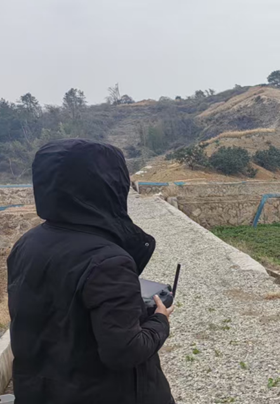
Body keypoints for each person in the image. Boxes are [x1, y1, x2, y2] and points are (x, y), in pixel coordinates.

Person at [7, 139, 175, 404]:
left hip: (40, 391)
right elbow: (125, 352)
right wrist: (160, 320)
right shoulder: (108, 260)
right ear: (109, 187)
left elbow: (63, 316)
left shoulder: (27, 243)